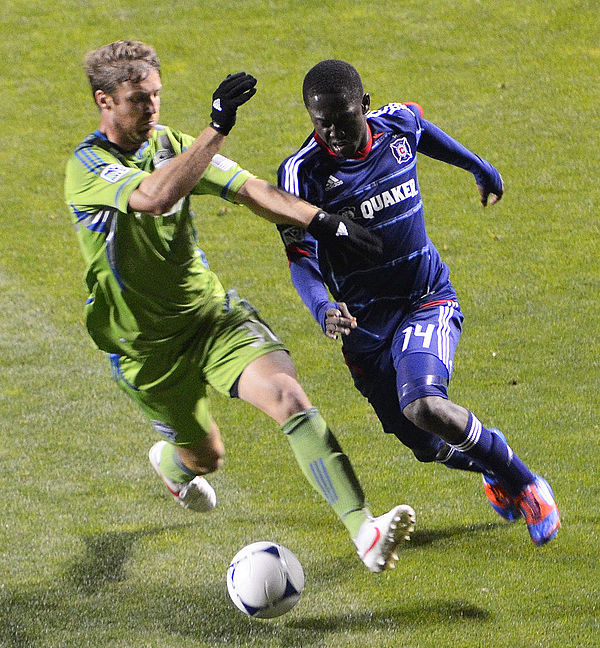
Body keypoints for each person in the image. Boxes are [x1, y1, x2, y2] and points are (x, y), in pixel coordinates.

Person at [64, 41, 416, 574]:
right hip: (145, 349)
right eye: (139, 99)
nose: (152, 108)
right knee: (207, 458)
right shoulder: (86, 167)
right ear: (105, 101)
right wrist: (216, 128)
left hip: (211, 317)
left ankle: (364, 531)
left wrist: (323, 221)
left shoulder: (174, 146)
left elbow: (251, 188)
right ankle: (174, 465)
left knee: (290, 398)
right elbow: (155, 197)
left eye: (157, 95)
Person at [277, 59, 560, 546]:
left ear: (363, 105)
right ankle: (496, 467)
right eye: (322, 122)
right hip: (365, 328)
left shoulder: (394, 124)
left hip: (424, 299)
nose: (335, 132)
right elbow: (301, 256)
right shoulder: (302, 173)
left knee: (426, 405)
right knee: (424, 443)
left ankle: (527, 483)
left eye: (344, 118)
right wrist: (322, 306)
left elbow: (422, 129)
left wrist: (480, 166)